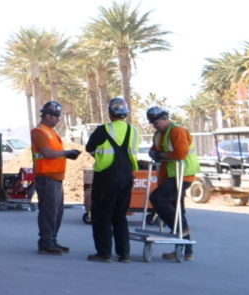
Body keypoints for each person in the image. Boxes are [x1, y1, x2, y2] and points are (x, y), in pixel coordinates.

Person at [83, 97, 140, 262]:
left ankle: (104, 253)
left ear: (110, 113)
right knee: (120, 215)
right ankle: (124, 254)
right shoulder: (133, 131)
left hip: (107, 176)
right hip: (127, 175)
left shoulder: (103, 130)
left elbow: (89, 148)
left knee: (102, 214)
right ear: (125, 114)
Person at [146, 106, 198, 256]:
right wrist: (155, 154)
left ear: (165, 119)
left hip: (183, 175)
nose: (155, 126)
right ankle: (185, 250)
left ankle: (180, 229)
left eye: (156, 123)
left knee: (157, 198)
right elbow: (154, 150)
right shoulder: (158, 134)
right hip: (170, 175)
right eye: (153, 124)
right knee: (177, 210)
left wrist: (161, 155)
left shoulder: (177, 131)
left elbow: (180, 153)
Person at [30, 100, 79, 255]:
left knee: (57, 211)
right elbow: (47, 153)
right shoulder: (39, 132)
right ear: (47, 115)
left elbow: (54, 152)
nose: (58, 119)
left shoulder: (52, 132)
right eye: (55, 116)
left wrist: (67, 155)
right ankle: (45, 242)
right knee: (49, 211)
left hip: (56, 176)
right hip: (46, 176)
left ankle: (52, 240)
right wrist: (67, 153)